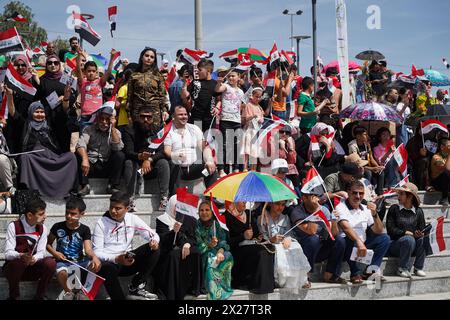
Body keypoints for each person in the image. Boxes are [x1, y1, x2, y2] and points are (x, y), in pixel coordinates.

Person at [93, 191, 160, 300]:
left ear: (127, 208)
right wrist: (116, 258)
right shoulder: (101, 223)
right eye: (111, 207)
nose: (113, 211)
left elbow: (153, 235)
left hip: (128, 257)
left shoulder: (132, 218)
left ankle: (136, 286)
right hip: (111, 261)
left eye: (118, 208)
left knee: (154, 249)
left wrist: (154, 242)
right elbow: (97, 252)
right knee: (106, 268)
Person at [9, 101, 78, 198]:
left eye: (42, 112)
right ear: (31, 113)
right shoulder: (25, 124)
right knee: (24, 158)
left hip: (51, 157)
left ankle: (69, 190)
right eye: (37, 112)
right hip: (34, 158)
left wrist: (66, 99)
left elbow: (62, 116)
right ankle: (30, 191)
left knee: (71, 157)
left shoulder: (50, 124)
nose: (40, 114)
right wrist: (9, 95)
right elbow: (13, 113)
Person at [46, 196, 102, 300]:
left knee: (95, 265)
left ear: (82, 214)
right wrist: (55, 253)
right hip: (63, 261)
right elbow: (48, 244)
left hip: (80, 261)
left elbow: (88, 249)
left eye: (73, 214)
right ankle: (68, 291)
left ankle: (83, 290)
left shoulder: (85, 229)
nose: (68, 216)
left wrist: (94, 257)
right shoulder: (57, 226)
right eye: (67, 212)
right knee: (61, 272)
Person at [289, 188, 347, 286]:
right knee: (313, 239)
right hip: (303, 250)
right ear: (304, 198)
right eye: (312, 196)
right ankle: (305, 275)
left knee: (340, 240)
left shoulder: (323, 209)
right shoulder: (297, 211)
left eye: (317, 196)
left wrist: (334, 221)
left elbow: (333, 234)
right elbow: (311, 231)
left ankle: (330, 274)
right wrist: (315, 210)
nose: (316, 199)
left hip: (319, 248)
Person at [337, 180, 390, 283]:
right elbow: (346, 228)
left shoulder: (365, 209)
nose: (358, 196)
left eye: (361, 193)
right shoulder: (340, 207)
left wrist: (374, 214)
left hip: (362, 243)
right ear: (348, 192)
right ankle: (355, 273)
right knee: (348, 239)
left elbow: (378, 230)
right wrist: (359, 241)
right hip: (347, 244)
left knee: (385, 238)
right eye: (354, 193)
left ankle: (371, 270)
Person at [3, 198, 56, 300]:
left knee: (51, 263)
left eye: (44, 213)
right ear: (30, 215)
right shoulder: (13, 226)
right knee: (17, 264)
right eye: (41, 214)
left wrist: (34, 259)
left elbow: (41, 252)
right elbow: (8, 253)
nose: (45, 216)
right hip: (15, 269)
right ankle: (14, 296)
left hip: (33, 267)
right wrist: (21, 255)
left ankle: (40, 296)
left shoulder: (42, 228)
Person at [154, 194, 203, 299]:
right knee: (174, 254)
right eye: (176, 206)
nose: (178, 210)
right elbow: (162, 240)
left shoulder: (189, 219)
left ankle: (193, 287)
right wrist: (174, 232)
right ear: (171, 205)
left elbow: (193, 237)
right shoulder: (162, 219)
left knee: (196, 251)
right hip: (167, 251)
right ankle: (173, 291)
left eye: (181, 207)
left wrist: (187, 243)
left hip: (182, 248)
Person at [122, 107, 170, 210]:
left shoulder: (157, 130)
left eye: (149, 117)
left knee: (163, 162)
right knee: (128, 163)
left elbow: (162, 151)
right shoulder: (129, 129)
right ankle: (130, 199)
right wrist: (140, 157)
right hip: (136, 166)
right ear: (137, 117)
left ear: (153, 119)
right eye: (143, 117)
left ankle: (164, 199)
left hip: (151, 167)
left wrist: (149, 160)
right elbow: (128, 151)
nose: (146, 120)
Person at [164, 105, 217, 195]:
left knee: (210, 168)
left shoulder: (194, 128)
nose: (184, 116)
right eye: (180, 114)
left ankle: (211, 198)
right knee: (173, 163)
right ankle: (173, 197)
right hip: (178, 171)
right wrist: (175, 156)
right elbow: (167, 150)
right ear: (173, 117)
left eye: (185, 114)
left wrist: (209, 160)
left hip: (193, 170)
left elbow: (204, 147)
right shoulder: (168, 131)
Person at [224, 201, 275, 294]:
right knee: (261, 252)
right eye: (241, 200)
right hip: (237, 249)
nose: (245, 202)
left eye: (245, 200)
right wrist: (243, 236)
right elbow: (227, 241)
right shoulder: (226, 216)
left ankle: (267, 284)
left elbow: (255, 233)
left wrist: (258, 237)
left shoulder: (248, 213)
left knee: (269, 248)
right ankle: (254, 284)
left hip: (251, 245)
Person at [258, 201, 310, 289]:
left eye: (282, 205)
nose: (280, 207)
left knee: (296, 246)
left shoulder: (285, 218)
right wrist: (271, 240)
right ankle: (280, 280)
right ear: (270, 204)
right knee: (279, 249)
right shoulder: (262, 218)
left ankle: (301, 279)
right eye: (277, 204)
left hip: (283, 244)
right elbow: (261, 238)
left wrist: (288, 238)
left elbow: (290, 234)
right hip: (271, 246)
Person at [76, 104, 125, 196]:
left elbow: (118, 147)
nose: (104, 122)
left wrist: (113, 128)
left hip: (106, 164)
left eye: (107, 119)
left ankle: (112, 186)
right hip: (90, 166)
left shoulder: (116, 132)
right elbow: (80, 144)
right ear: (98, 119)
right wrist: (85, 159)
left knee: (120, 155)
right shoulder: (89, 129)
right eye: (102, 119)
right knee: (79, 154)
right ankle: (84, 185)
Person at [37, 54, 77, 152]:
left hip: (63, 119)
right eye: (50, 63)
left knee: (63, 147)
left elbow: (73, 96)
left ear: (59, 65)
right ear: (46, 65)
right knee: (49, 147)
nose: (53, 65)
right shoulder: (42, 80)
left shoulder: (66, 78)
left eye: (56, 63)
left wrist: (65, 98)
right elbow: (38, 97)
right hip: (48, 119)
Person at [386, 182, 427, 278]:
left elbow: (421, 228)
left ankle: (418, 268)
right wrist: (404, 233)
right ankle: (402, 269)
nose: (398, 196)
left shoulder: (419, 211)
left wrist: (419, 233)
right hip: (395, 244)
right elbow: (390, 229)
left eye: (401, 194)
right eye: (398, 193)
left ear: (410, 196)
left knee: (424, 238)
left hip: (412, 245)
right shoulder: (394, 209)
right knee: (409, 239)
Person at [195, 200, 234, 300]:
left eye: (207, 210)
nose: (204, 213)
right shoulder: (197, 226)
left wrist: (220, 251)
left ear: (212, 212)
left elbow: (223, 240)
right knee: (210, 258)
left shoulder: (216, 224)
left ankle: (223, 286)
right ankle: (211, 287)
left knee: (228, 254)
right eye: (201, 210)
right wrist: (209, 245)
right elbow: (198, 245)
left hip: (217, 252)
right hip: (204, 254)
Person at [76, 48, 117, 132]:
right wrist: (79, 55)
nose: (91, 73)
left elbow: (108, 72)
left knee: (97, 141)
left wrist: (112, 58)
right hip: (85, 117)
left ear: (96, 72)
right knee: (84, 140)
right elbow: (78, 69)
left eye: (93, 71)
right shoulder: (82, 82)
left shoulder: (100, 82)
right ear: (85, 72)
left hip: (98, 116)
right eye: (89, 71)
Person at [127, 47, 169, 127]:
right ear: (142, 57)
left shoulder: (158, 75)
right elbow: (130, 97)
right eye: (147, 56)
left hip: (154, 112)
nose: (149, 58)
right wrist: (129, 115)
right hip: (138, 112)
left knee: (154, 137)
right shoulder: (134, 75)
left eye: (152, 57)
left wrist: (165, 110)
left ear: (154, 60)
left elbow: (162, 96)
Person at [215, 69, 245, 175]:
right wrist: (219, 82)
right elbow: (218, 89)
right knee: (224, 145)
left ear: (238, 77)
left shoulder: (241, 92)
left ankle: (236, 168)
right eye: (230, 76)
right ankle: (221, 169)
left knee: (237, 145)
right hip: (225, 119)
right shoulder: (226, 86)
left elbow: (242, 105)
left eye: (233, 76)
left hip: (236, 120)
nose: (231, 78)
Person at [181, 59, 221, 131]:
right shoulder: (195, 82)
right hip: (196, 117)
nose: (197, 72)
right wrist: (184, 83)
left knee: (209, 140)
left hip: (210, 118)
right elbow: (185, 95)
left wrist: (217, 107)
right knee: (197, 139)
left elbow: (219, 99)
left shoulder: (215, 84)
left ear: (208, 71)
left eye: (200, 70)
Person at [348, 126, 385, 194]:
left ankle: (380, 193)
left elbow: (371, 158)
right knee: (368, 173)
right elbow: (357, 163)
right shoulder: (352, 146)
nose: (367, 136)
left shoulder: (367, 144)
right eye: (365, 134)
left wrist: (378, 167)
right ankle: (366, 193)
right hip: (358, 166)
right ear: (358, 136)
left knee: (381, 173)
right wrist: (372, 168)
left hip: (368, 165)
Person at [241, 86, 265, 171]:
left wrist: (260, 119)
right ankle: (245, 167)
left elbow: (262, 119)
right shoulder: (248, 105)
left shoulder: (259, 107)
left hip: (257, 130)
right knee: (247, 150)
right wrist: (252, 116)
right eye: (256, 96)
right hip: (250, 130)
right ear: (252, 96)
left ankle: (253, 169)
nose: (258, 98)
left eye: (259, 97)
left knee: (255, 151)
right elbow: (245, 118)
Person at [430, 138, 450, 205]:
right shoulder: (436, 157)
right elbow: (446, 169)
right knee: (446, 173)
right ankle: (444, 198)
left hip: (447, 183)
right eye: (449, 146)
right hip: (437, 182)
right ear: (442, 147)